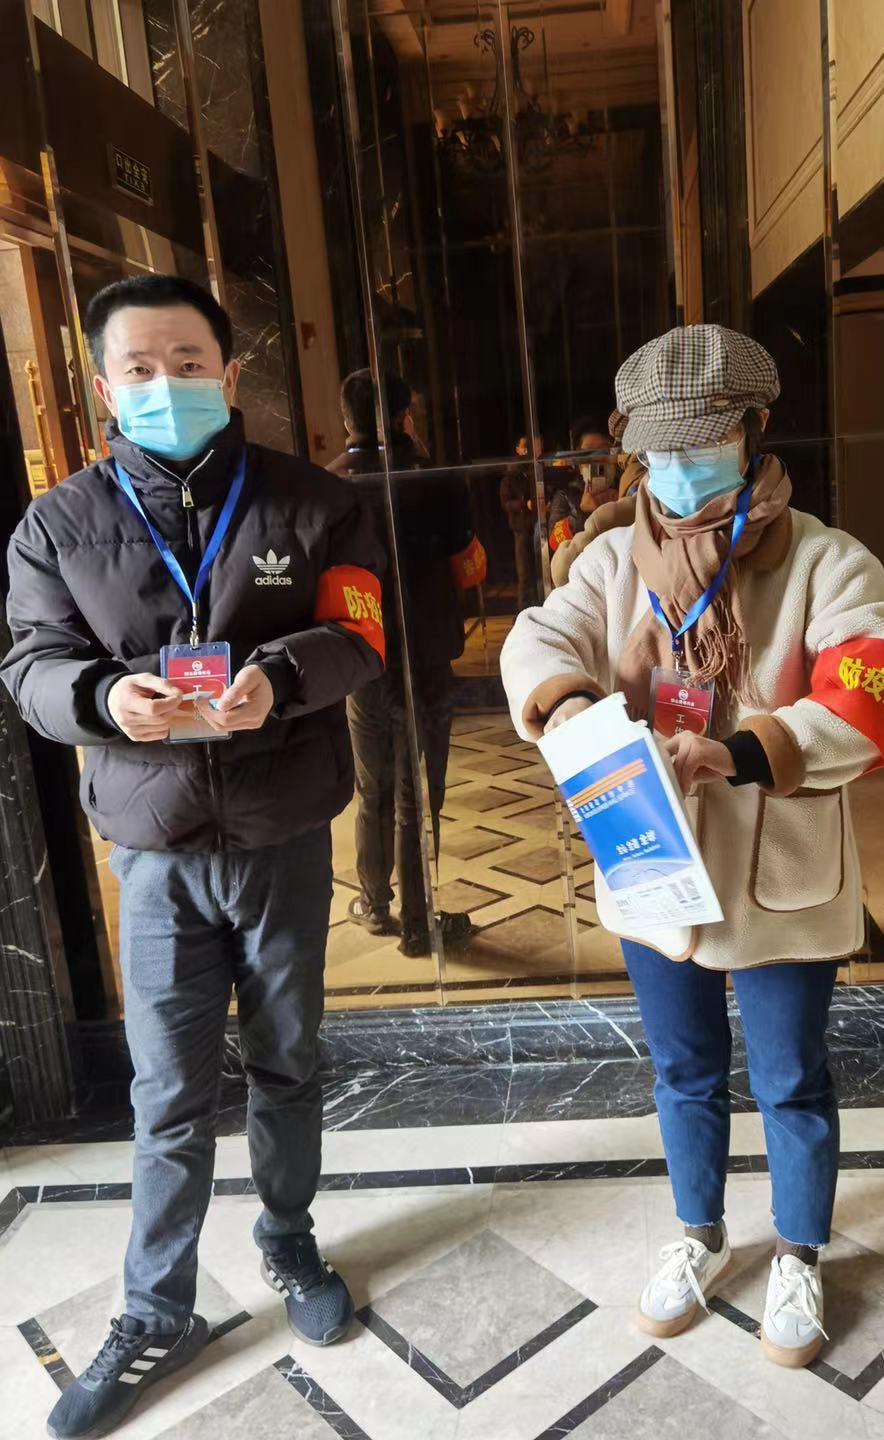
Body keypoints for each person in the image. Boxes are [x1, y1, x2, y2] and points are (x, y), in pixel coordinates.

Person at [2, 275, 386, 1439]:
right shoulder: (56, 524)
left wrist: (282, 678)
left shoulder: (317, 502)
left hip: (282, 834)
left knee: (287, 1063)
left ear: (230, 371)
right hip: (155, 847)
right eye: (140, 368)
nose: (165, 385)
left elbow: (361, 631)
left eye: (187, 363)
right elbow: (30, 665)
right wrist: (103, 698)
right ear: (103, 385)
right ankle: (153, 1308)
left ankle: (288, 1237)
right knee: (167, 1090)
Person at [501, 324, 884, 1368]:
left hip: (780, 867)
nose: (679, 467)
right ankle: (698, 1233)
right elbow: (541, 638)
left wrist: (742, 751)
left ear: (753, 429)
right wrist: (572, 707)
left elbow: (877, 686)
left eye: (702, 442)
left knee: (790, 1075)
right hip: (653, 858)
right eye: (659, 447)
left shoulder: (825, 559)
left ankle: (800, 1251)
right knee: (683, 1069)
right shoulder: (609, 560)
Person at [329, 369, 476, 957]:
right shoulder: (435, 480)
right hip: (428, 657)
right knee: (418, 794)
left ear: (346, 421)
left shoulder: (330, 485)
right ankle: (419, 922)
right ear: (404, 416)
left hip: (363, 659)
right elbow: (466, 560)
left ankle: (374, 904)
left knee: (373, 788)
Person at [546, 415, 615, 552]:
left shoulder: (625, 486)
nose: (596, 460)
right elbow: (554, 544)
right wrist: (582, 512)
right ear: (578, 460)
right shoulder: (565, 496)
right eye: (588, 453)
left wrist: (622, 502)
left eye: (603, 451)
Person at [500, 434, 541, 609]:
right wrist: (525, 504)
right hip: (521, 527)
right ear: (517, 449)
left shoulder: (534, 469)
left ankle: (539, 605)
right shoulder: (511, 475)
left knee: (539, 569)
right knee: (524, 572)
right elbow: (506, 503)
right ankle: (523, 608)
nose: (527, 451)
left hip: (537, 525)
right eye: (524, 448)